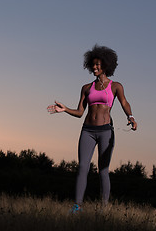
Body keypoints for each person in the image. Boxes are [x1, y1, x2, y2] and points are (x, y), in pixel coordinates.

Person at [47, 44, 137, 212]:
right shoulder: (86, 88)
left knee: (103, 170)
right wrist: (65, 109)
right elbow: (80, 112)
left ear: (106, 65)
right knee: (82, 167)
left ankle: (103, 209)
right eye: (93, 64)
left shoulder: (116, 86)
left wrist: (130, 117)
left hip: (106, 132)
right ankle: (77, 206)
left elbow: (124, 102)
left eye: (98, 64)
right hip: (87, 130)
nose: (95, 67)